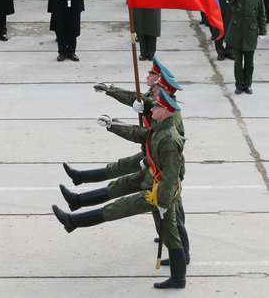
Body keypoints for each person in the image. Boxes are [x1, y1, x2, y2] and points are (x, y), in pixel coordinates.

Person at [52, 89, 187, 290]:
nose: (154, 108)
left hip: (159, 194)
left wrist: (163, 203)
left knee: (119, 207)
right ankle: (179, 278)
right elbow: (138, 134)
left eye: (158, 106)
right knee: (171, 233)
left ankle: (73, 221)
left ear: (166, 110)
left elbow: (171, 175)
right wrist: (112, 125)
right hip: (158, 190)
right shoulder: (160, 128)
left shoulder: (168, 138)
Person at [226, 0, 267, 94]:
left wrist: (262, 32)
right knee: (238, 62)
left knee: (249, 63)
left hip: (250, 33)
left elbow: (262, 15)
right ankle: (239, 85)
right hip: (237, 33)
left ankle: (247, 85)